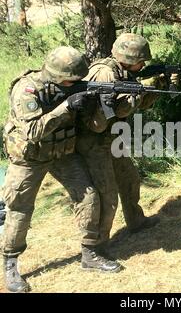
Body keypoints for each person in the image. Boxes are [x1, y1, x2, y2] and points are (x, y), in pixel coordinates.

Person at [1, 46, 123, 293]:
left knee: (88, 197)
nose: (78, 84)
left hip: (62, 153)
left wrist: (102, 106)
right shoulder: (27, 89)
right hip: (29, 157)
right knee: (19, 209)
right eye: (73, 81)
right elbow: (33, 132)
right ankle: (10, 263)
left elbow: (93, 125)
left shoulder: (73, 88)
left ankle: (90, 253)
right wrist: (67, 106)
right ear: (58, 77)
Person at [76, 33, 178, 253]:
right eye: (141, 61)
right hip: (94, 142)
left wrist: (159, 84)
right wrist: (136, 95)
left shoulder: (125, 73)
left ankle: (136, 221)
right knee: (107, 195)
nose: (143, 65)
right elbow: (100, 119)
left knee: (129, 179)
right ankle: (96, 248)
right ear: (128, 58)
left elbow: (139, 105)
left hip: (111, 139)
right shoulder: (104, 74)